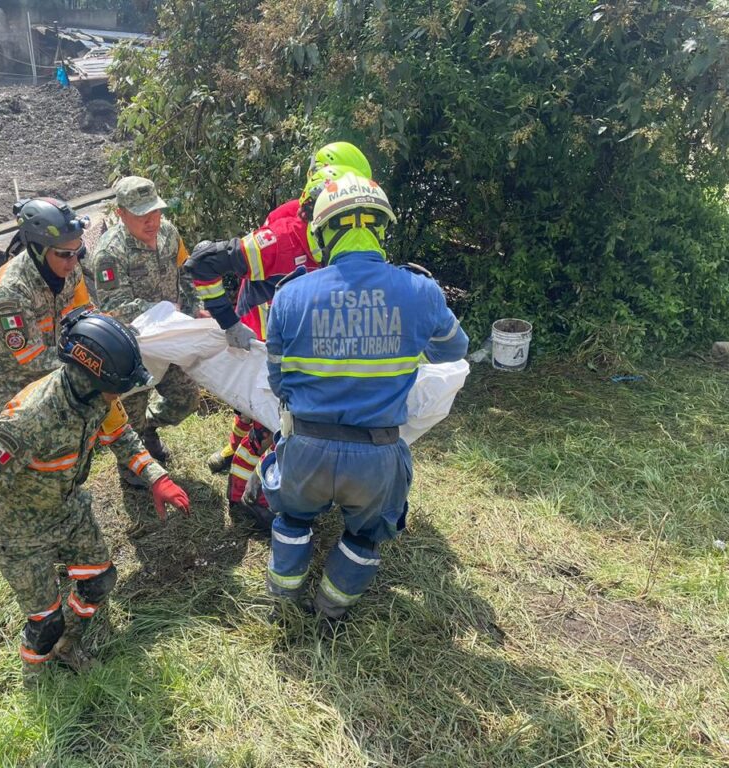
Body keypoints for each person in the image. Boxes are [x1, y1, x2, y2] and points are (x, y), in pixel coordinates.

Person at [262, 172, 468, 628]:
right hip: (377, 457)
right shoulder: (420, 291)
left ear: (322, 233)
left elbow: (278, 383)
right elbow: (452, 350)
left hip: (306, 452)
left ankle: (282, 604)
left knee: (293, 519)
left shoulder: (290, 295)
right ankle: (331, 611)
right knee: (366, 535)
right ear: (380, 228)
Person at [0, 309, 191, 676]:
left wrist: (155, 477)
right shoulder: (29, 420)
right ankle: (35, 681)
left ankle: (67, 645)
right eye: (117, 386)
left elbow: (120, 434)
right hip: (21, 529)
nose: (121, 394)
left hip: (69, 510)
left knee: (99, 582)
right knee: (44, 623)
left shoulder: (96, 398)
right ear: (90, 377)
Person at [184, 164, 351, 527]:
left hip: (295, 336)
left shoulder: (336, 239)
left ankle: (238, 470)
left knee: (260, 414)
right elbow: (202, 264)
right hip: (261, 331)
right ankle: (244, 494)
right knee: (267, 416)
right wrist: (228, 323)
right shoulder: (284, 238)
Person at [87, 176, 201, 483]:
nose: (151, 221)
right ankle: (131, 464)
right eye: (141, 215)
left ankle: (150, 427)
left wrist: (196, 307)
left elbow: (186, 272)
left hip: (171, 337)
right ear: (122, 214)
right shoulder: (110, 252)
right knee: (130, 414)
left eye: (155, 211)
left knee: (187, 398)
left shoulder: (169, 233)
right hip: (132, 348)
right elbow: (115, 304)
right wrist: (161, 310)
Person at [0, 197, 93, 420]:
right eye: (64, 254)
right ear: (39, 249)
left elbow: (83, 311)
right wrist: (91, 357)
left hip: (54, 375)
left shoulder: (69, 271)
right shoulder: (9, 292)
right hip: (12, 394)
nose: (73, 262)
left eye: (77, 252)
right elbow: (34, 359)